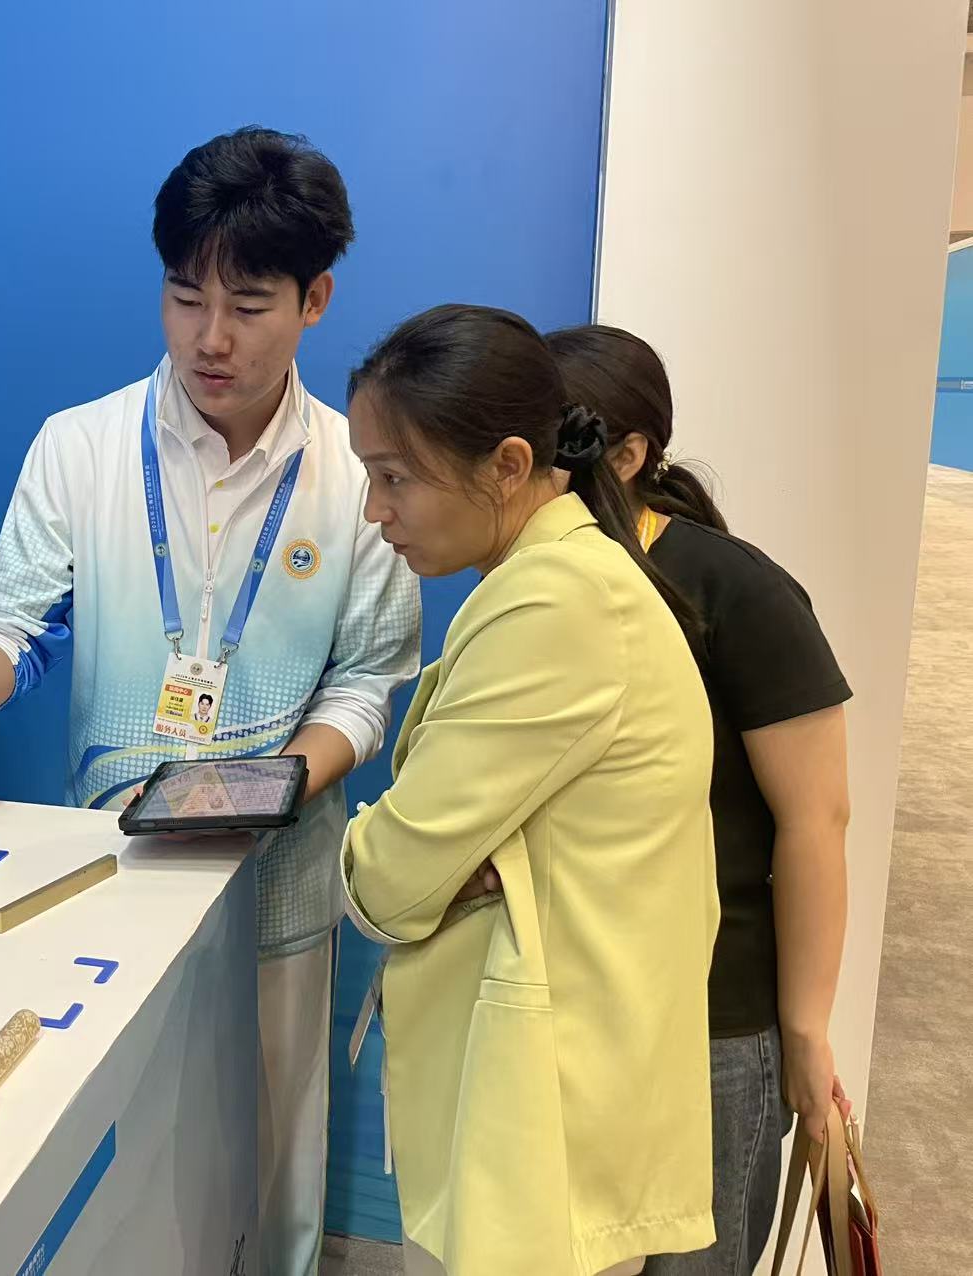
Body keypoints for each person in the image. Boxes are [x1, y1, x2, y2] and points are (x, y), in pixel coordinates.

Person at [0, 128, 421, 1275]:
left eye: (249, 305)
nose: (209, 337)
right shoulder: (80, 448)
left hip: (282, 877)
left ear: (315, 300)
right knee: (127, 1157)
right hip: (114, 875)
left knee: (277, 1152)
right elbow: (13, 640)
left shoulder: (354, 470)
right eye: (184, 298)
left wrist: (279, 784)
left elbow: (369, 678)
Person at [340, 304, 719, 1276]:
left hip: (546, 1120)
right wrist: (452, 863)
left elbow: (389, 879)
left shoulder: (557, 601)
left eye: (394, 477)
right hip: (544, 1097)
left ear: (510, 465)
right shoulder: (554, 576)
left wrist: (395, 858)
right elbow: (429, 859)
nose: (375, 511)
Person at [547, 324, 852, 1275]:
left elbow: (816, 820)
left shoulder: (734, 590)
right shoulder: (539, 585)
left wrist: (804, 1031)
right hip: (576, 1002)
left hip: (713, 1019)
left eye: (551, 442)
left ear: (628, 455)